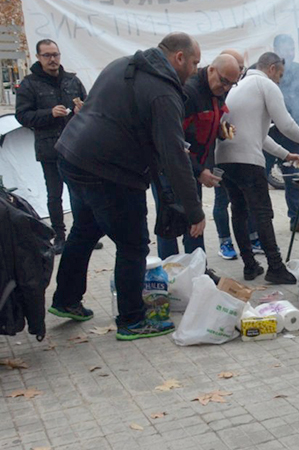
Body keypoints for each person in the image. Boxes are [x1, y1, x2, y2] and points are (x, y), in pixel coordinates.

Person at [51, 33, 205, 340]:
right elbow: (174, 156)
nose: (195, 70)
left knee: (85, 228)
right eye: (194, 63)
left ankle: (66, 299)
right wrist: (194, 210)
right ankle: (133, 320)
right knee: (133, 244)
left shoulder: (121, 64)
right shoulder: (163, 92)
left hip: (71, 156)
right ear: (178, 58)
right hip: (109, 172)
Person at [215, 52, 299, 284]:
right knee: (263, 212)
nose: (280, 80)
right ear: (271, 68)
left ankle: (250, 266)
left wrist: (285, 154)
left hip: (224, 159)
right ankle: (275, 266)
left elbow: (258, 135)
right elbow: (286, 124)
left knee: (239, 211)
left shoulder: (239, 86)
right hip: (247, 161)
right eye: (280, 75)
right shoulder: (265, 84)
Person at [14, 39, 102, 254]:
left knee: (80, 192)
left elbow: (90, 105)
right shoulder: (29, 84)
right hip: (50, 148)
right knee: (55, 194)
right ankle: (59, 237)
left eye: (55, 54)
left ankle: (84, 234)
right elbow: (22, 115)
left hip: (76, 147)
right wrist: (48, 113)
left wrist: (84, 109)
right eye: (47, 55)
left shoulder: (72, 80)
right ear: (38, 57)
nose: (52, 59)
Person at [151, 53, 241, 260]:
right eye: (224, 82)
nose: (226, 88)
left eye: (231, 85)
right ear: (211, 70)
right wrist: (199, 171)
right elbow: (172, 142)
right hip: (169, 169)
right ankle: (170, 275)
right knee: (170, 221)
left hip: (192, 168)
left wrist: (219, 131)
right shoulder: (188, 93)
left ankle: (197, 271)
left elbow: (202, 132)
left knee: (194, 220)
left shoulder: (216, 92)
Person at [265, 35, 299, 235]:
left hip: (293, 136)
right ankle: (258, 223)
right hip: (268, 135)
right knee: (260, 178)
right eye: (284, 48)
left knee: (296, 179)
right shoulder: (265, 72)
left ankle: (298, 219)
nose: (288, 52)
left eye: (291, 48)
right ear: (275, 49)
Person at [213, 49, 262, 261]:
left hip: (236, 150)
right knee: (221, 200)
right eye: (237, 67)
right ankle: (224, 241)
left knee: (243, 201)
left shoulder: (237, 87)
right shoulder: (215, 88)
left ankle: (252, 238)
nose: (240, 72)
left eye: (242, 68)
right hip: (217, 154)